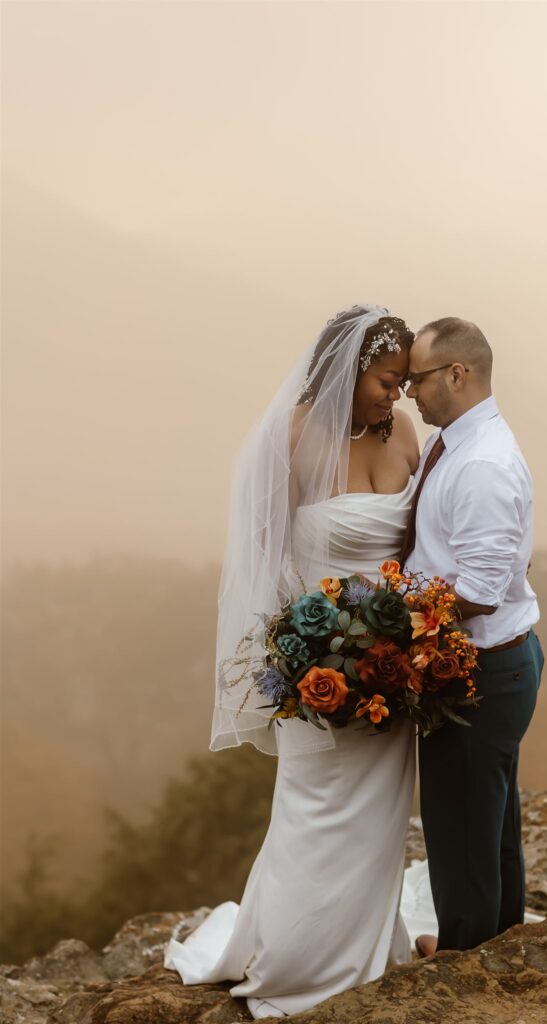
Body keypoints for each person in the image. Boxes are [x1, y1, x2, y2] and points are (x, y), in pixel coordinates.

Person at [164, 304, 421, 1019]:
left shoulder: (404, 431)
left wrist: (414, 637)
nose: (394, 395)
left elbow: (423, 540)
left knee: (378, 821)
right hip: (315, 662)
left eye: (402, 382)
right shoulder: (291, 437)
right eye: (385, 379)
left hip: (393, 669)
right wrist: (299, 650)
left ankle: (369, 946)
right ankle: (294, 956)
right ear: (348, 366)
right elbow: (262, 558)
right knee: (312, 811)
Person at [399, 316, 544, 956]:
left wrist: (388, 617)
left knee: (461, 831)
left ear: (457, 375)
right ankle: (501, 948)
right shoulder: (457, 441)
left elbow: (480, 592)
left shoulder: (481, 462)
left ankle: (463, 962)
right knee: (490, 826)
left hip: (482, 669)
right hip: (491, 663)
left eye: (417, 380)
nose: (408, 393)